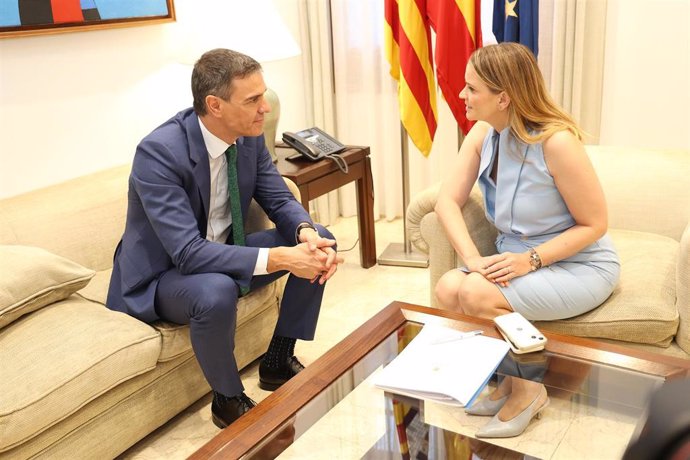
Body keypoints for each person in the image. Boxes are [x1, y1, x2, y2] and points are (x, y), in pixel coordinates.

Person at [106, 48, 344, 429]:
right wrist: (282, 259)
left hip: (221, 251)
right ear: (215, 105)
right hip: (164, 275)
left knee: (320, 239)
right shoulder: (159, 153)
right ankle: (227, 398)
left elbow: (279, 197)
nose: (264, 108)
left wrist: (304, 233)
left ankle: (278, 358)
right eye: (251, 100)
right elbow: (187, 252)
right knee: (215, 290)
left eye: (263, 95)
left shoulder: (247, 137)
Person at [434, 43, 620, 438]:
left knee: (478, 294)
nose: (462, 96)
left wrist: (531, 260)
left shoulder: (556, 143)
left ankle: (529, 392)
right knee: (450, 287)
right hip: (515, 258)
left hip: (578, 264)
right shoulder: (484, 133)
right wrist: (472, 257)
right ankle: (507, 383)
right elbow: (446, 201)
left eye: (472, 89)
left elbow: (595, 224)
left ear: (503, 97)